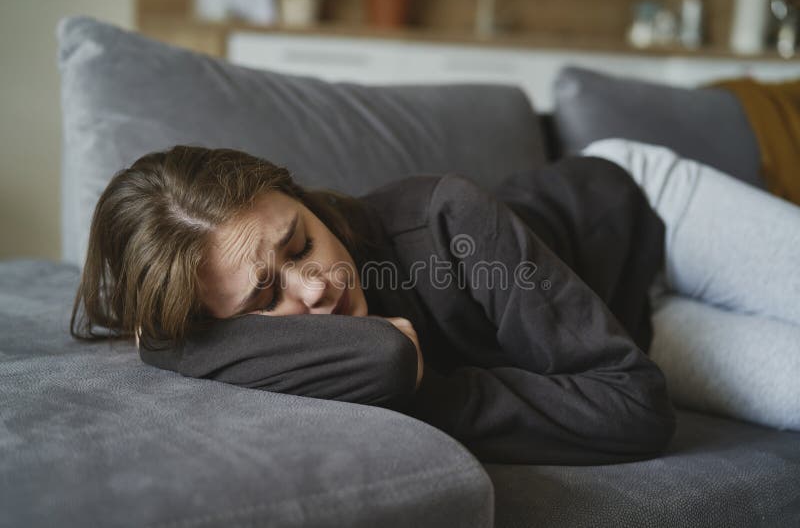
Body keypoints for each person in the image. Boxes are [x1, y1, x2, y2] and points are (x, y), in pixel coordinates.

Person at [69, 141, 797, 464]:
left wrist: (423, 390)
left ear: (298, 194)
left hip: (651, 216)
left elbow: (634, 408)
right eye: (267, 297)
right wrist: (172, 339)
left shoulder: (446, 219)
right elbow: (385, 355)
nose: (318, 288)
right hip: (629, 319)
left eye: (300, 245)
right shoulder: (233, 321)